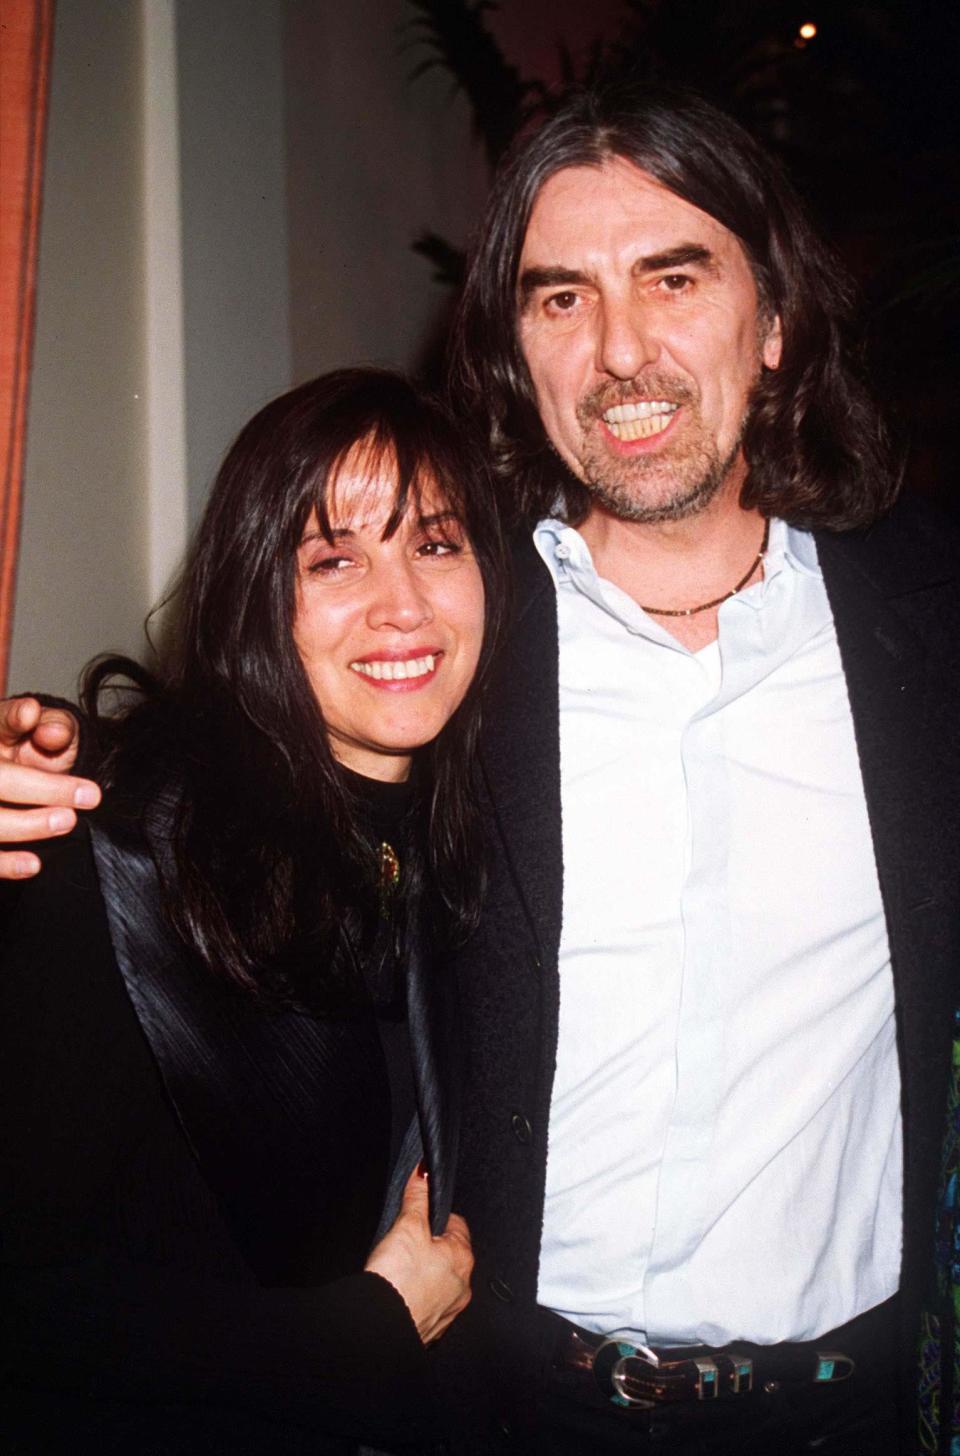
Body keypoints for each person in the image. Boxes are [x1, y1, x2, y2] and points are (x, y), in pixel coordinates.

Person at [5, 84, 959, 1455]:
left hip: (847, 1414)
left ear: (778, 323)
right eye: (560, 298)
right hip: (500, 1407)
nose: (620, 351)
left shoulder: (928, 618)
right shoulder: (454, 642)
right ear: (517, 347)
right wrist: (53, 759)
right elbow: (243, 754)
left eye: (673, 277)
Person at [0, 367, 507, 1453]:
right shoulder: (114, 849)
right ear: (250, 596)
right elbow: (25, 1293)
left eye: (435, 543)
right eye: (333, 559)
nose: (403, 605)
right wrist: (356, 1335)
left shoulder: (454, 837)